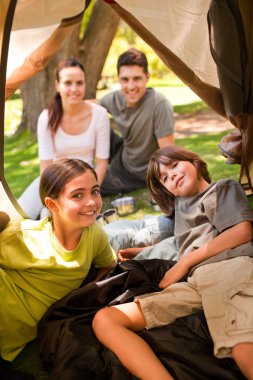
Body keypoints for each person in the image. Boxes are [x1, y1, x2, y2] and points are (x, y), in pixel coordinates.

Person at [93, 145, 253, 380]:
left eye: (175, 165)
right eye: (165, 177)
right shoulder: (181, 206)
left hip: (227, 270)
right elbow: (185, 243)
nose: (173, 175)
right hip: (196, 283)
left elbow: (242, 231)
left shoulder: (221, 189)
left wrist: (184, 263)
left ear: (195, 162)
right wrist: (142, 251)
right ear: (168, 190)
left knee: (240, 343)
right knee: (106, 320)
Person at [0, 158, 115, 362]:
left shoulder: (95, 235)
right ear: (52, 204)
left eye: (95, 191)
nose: (91, 202)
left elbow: (108, 264)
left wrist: (87, 294)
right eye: (77, 195)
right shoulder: (23, 237)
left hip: (22, 332)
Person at [18, 58, 110, 219]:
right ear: (57, 85)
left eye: (79, 83)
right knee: (17, 215)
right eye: (68, 83)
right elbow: (45, 165)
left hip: (84, 182)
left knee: (54, 220)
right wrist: (54, 194)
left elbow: (102, 162)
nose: (74, 89)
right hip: (53, 181)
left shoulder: (99, 114)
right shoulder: (46, 117)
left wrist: (93, 192)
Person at [99, 47, 174, 195]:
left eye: (137, 79)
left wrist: (167, 187)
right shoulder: (114, 98)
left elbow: (167, 155)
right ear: (118, 79)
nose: (131, 86)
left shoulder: (159, 104)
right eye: (125, 80)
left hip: (137, 173)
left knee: (92, 186)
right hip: (123, 152)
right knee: (94, 116)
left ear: (147, 77)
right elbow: (87, 108)